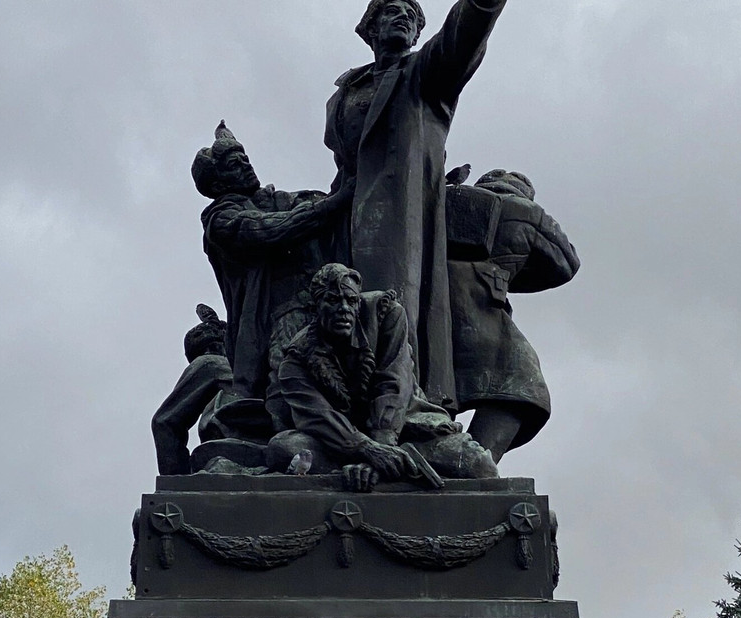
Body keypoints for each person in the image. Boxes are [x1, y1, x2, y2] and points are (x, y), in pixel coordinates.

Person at [324, 0, 509, 409]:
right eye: (392, 10)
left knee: (395, 304)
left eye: (412, 15)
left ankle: (399, 398)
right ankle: (344, 397)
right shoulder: (344, 93)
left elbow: (461, 38)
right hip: (345, 216)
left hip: (401, 217)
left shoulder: (425, 74)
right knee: (338, 306)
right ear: (370, 28)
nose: (404, 17)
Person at [276, 264, 497, 492]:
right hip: (341, 443)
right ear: (315, 308)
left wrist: (382, 448)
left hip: (405, 431)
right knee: (285, 449)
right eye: (333, 301)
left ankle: (378, 471)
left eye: (351, 301)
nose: (343, 308)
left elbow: (393, 384)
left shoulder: (385, 313)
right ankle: (376, 473)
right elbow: (318, 416)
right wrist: (367, 450)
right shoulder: (296, 357)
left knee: (479, 465)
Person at [193, 121, 352, 401]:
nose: (245, 165)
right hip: (277, 316)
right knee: (293, 380)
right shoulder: (221, 221)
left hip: (327, 300)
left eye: (245, 158)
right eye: (234, 164)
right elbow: (275, 228)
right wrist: (334, 203)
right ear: (218, 183)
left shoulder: (274, 199)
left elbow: (317, 202)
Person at [447, 169, 580, 460]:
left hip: (431, 294)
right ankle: (474, 458)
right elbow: (566, 263)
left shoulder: (446, 197)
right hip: (479, 301)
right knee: (522, 381)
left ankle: (453, 454)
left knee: (439, 382)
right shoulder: (525, 210)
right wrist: (510, 277)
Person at [151, 304, 233, 475]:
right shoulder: (260, 369)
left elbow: (164, 422)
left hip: (225, 456)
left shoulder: (210, 362)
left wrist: (176, 481)